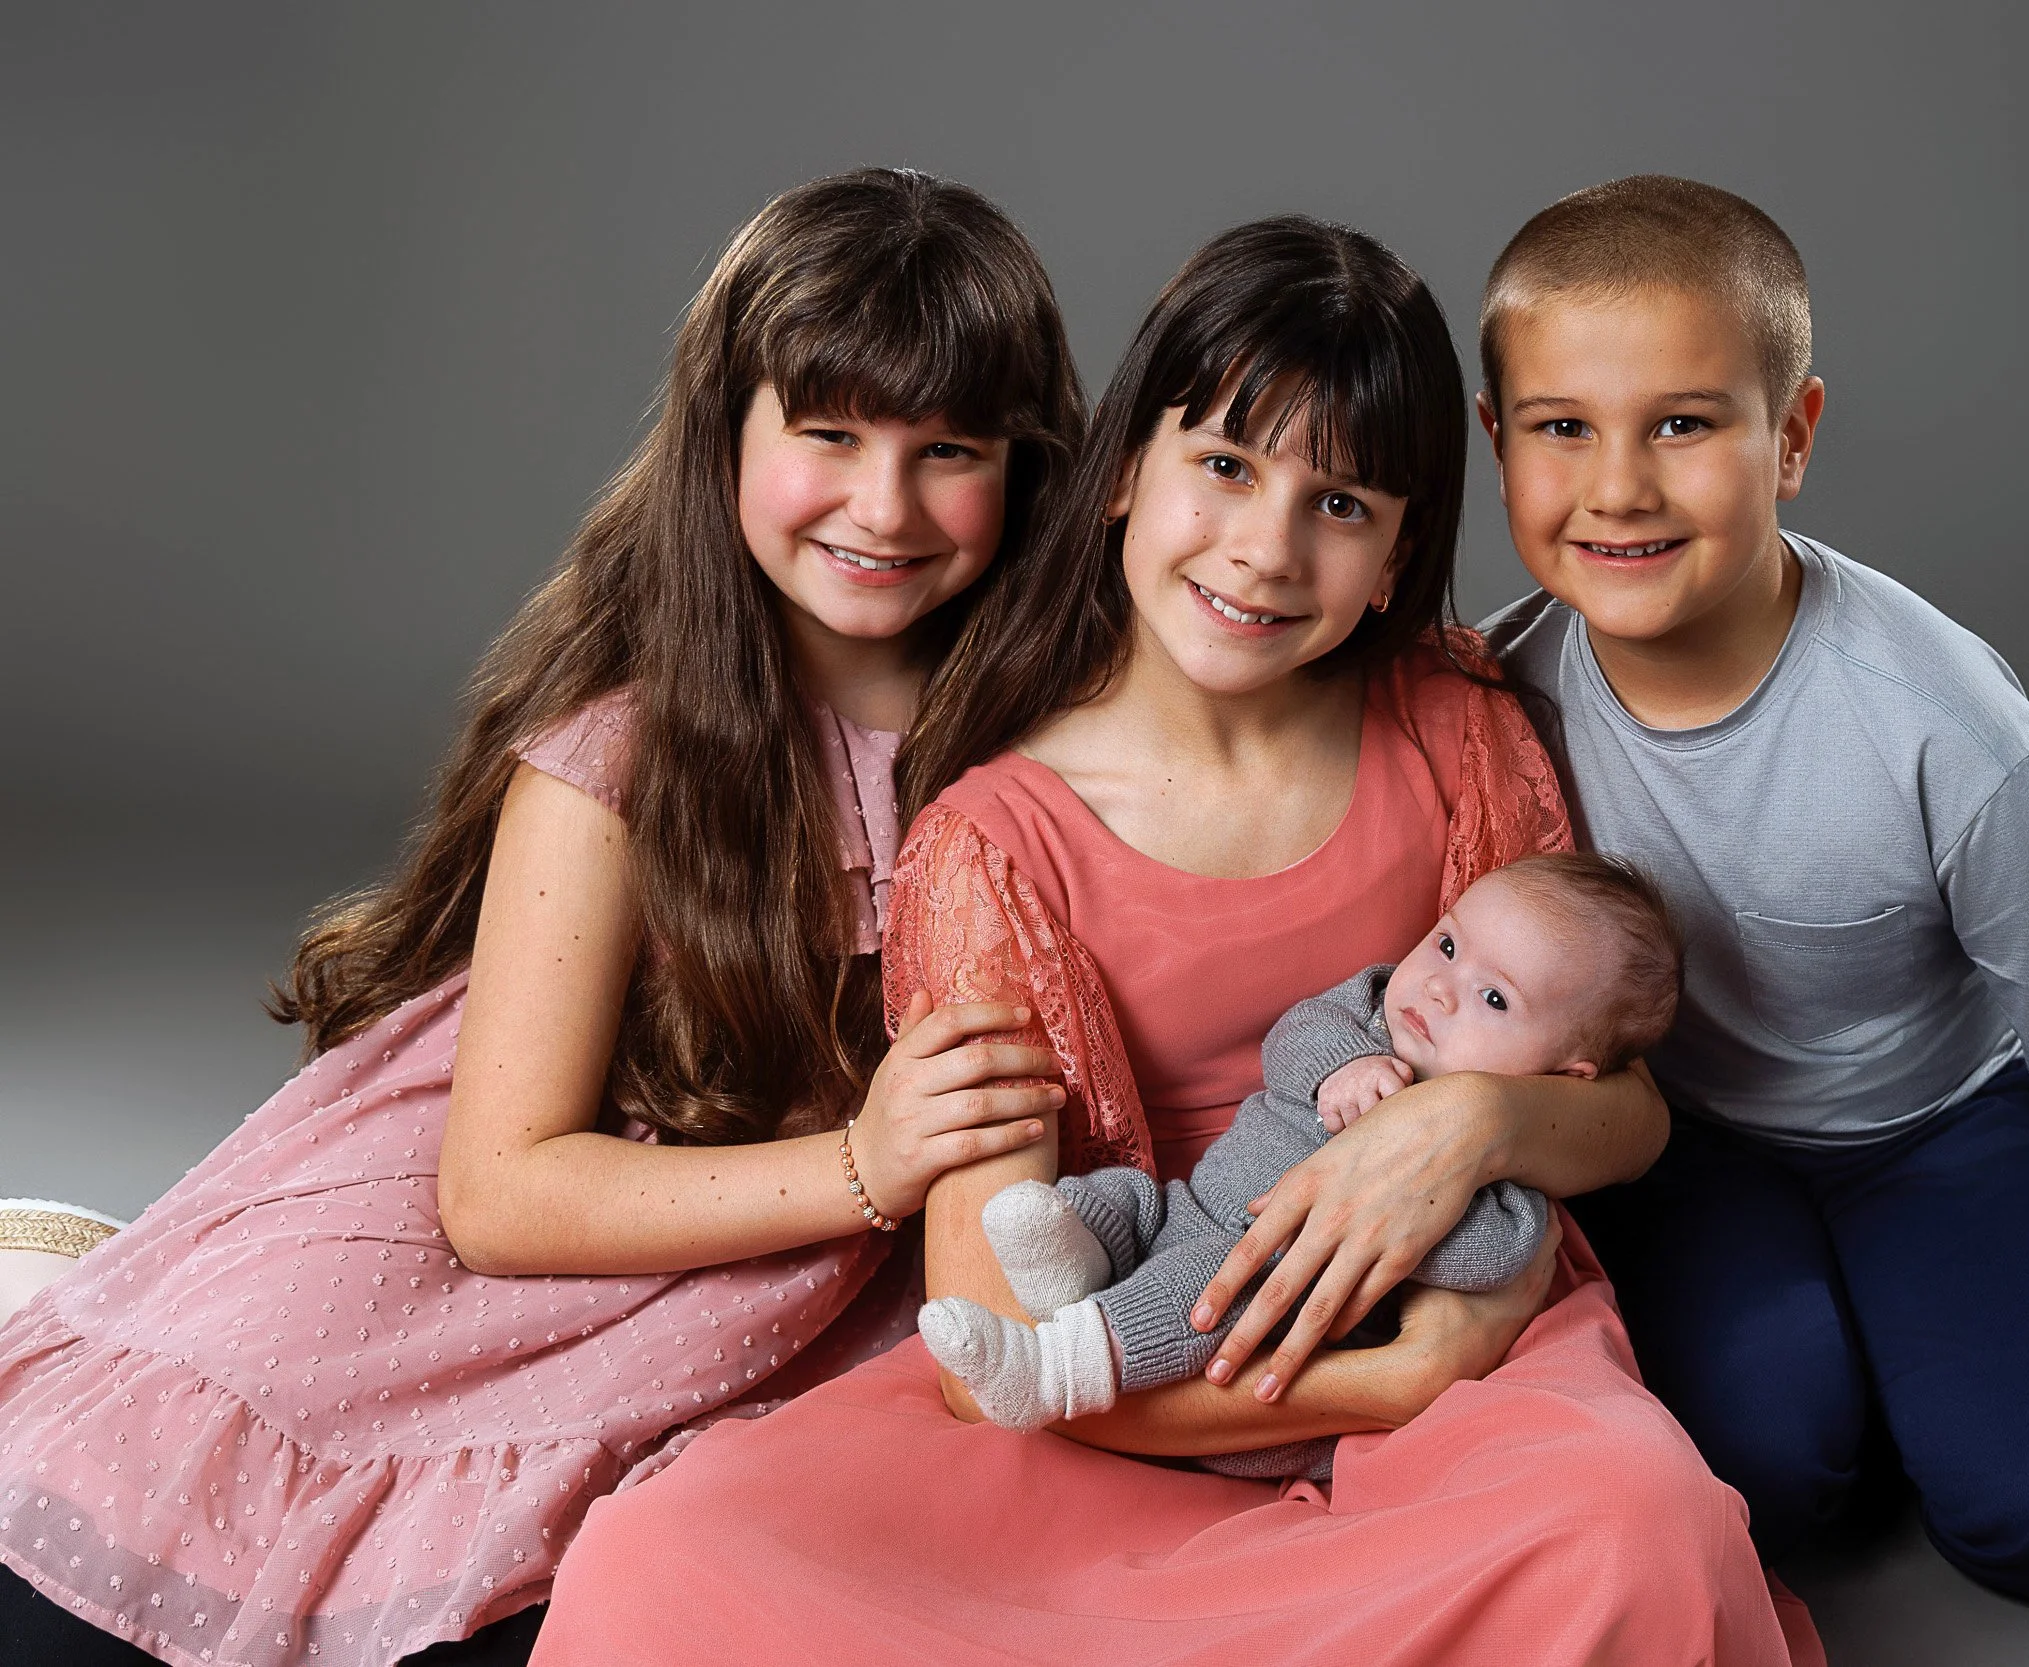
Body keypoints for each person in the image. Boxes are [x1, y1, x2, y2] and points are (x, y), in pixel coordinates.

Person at [535, 216, 1819, 1666]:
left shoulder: (1458, 732)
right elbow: (988, 1335)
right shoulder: (995, 839)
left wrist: (1469, 1130)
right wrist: (1381, 1385)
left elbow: (1626, 1108)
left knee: (1633, 1520)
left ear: (1399, 550)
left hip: (1467, 1347)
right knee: (675, 1552)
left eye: (1341, 504)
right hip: (1129, 1373)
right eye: (1224, 466)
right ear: (1122, 472)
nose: (1266, 549)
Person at [0, 168, 1083, 1667]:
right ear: (726, 439)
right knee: (135, 1549)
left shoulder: (1066, 725)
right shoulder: (619, 762)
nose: (883, 506)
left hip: (811, 1278)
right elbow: (501, 1192)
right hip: (551, 1207)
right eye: (827, 435)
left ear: (1028, 468)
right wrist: (865, 1163)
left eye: (947, 449)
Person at [1477, 175, 2029, 1616]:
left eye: (1684, 423)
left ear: (1795, 437)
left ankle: (1988, 1350)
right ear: (1495, 441)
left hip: (1943, 1127)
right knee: (1751, 1477)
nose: (1618, 486)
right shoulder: (1496, 691)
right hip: (1685, 1148)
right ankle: (1868, 1370)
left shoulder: (1946, 725)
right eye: (1561, 426)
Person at [919, 851, 1682, 1473]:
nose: (1442, 989)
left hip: (1265, 1316)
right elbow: (1296, 1033)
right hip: (1187, 1205)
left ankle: (1057, 1366)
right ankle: (1069, 1264)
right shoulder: (1372, 1008)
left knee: (1220, 1281)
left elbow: (1499, 1255)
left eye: (1494, 999)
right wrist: (1340, 1069)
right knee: (1123, 1199)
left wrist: (1441, 1185)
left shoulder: (1511, 1176)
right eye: (1448, 945)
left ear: (1562, 1076)